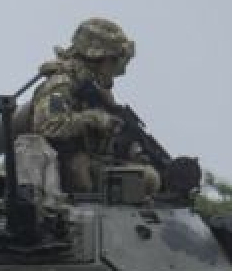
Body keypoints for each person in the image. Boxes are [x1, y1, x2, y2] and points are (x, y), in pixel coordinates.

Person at [28, 17, 156, 193]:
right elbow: (49, 125)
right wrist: (91, 119)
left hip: (94, 162)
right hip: (66, 168)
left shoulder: (96, 89)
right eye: (114, 60)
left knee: (149, 178)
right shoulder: (61, 84)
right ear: (98, 57)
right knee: (145, 179)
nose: (119, 69)